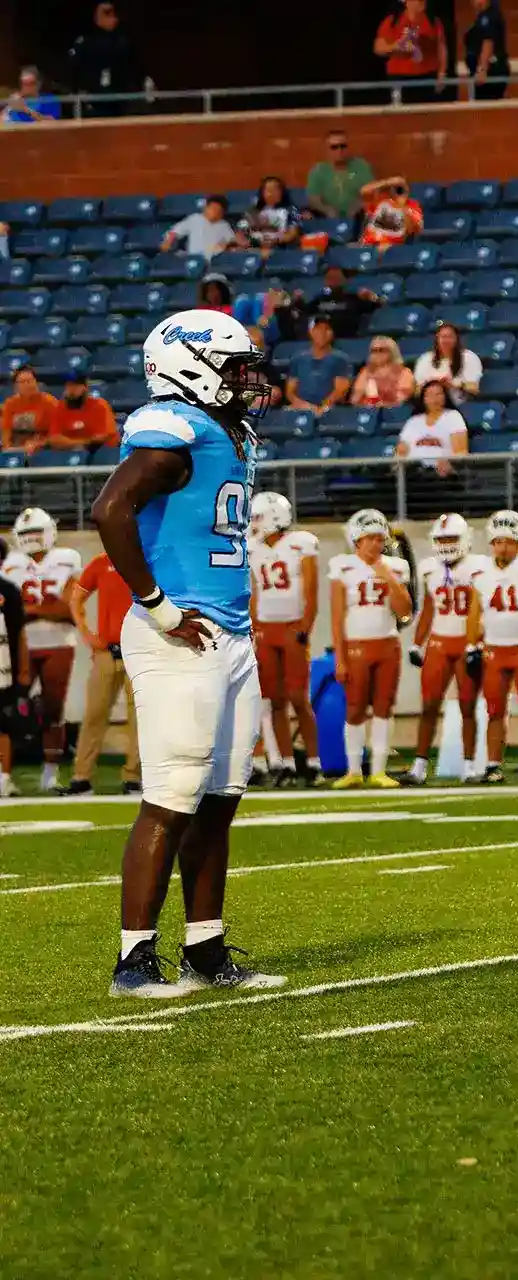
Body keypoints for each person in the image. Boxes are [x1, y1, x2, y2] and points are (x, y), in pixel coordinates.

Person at [91, 307, 280, 996]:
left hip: (227, 632)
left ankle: (206, 950)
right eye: (232, 368)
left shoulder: (225, 429)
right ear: (189, 366)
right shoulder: (171, 427)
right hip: (179, 632)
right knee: (172, 796)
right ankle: (133, 960)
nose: (244, 380)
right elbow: (110, 509)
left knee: (220, 798)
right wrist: (156, 603)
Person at [328, 509, 412, 791]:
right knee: (354, 708)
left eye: (380, 538)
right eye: (370, 539)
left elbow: (405, 611)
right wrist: (340, 657)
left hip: (387, 643)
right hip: (356, 645)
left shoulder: (396, 566)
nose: (377, 544)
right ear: (357, 540)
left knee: (384, 708)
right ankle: (354, 770)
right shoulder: (343, 566)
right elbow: (337, 617)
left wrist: (386, 574)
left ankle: (378, 770)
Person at [402, 514, 486, 787]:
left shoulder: (478, 567)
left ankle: (470, 765)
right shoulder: (430, 569)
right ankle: (419, 765)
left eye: (451, 538)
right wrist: (417, 642)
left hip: (466, 641)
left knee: (467, 705)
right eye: (441, 539)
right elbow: (428, 609)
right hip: (439, 641)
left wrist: (478, 643)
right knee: (428, 705)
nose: (446, 544)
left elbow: (481, 610)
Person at [3, 508, 83, 791]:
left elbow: (69, 610)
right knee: (7, 710)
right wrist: (43, 610)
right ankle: (3, 776)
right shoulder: (11, 562)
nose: (32, 538)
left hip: (57, 643)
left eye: (35, 532)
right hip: (18, 644)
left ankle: (50, 774)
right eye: (26, 534)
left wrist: (27, 610)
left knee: (54, 709)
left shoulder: (67, 558)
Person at [247, 491, 321, 788]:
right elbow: (254, 594)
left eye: (258, 517)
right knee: (274, 699)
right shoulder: (252, 548)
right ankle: (287, 764)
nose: (253, 524)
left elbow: (311, 592)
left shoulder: (301, 544)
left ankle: (314, 762)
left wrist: (306, 625)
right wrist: (254, 628)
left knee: (298, 697)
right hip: (266, 629)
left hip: (292, 627)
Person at [468, 509, 518, 784]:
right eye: (499, 541)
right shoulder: (480, 572)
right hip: (493, 650)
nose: (504, 546)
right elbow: (475, 614)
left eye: (509, 541)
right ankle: (492, 764)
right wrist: (471, 646)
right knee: (494, 711)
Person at [58, 548, 140, 797]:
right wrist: (87, 634)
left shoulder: (146, 558)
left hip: (139, 650)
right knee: (94, 714)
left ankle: (133, 777)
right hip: (107, 651)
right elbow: (75, 598)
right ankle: (82, 778)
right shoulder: (101, 563)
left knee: (139, 718)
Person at [68, 3, 145, 117]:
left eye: (112, 14)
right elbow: (73, 68)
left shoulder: (123, 42)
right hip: (92, 100)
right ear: (96, 18)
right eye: (106, 14)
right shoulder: (85, 42)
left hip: (120, 101)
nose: (111, 18)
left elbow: (133, 68)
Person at [374, 0, 450, 103]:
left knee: (427, 115)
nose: (421, 2)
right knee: (400, 115)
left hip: (427, 77)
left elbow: (442, 49)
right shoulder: (392, 21)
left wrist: (442, 73)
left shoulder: (434, 22)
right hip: (398, 78)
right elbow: (378, 48)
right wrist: (397, 46)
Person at [305, 130, 377, 223]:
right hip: (328, 218)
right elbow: (313, 199)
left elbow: (372, 192)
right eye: (334, 147)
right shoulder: (318, 171)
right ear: (327, 149)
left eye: (343, 146)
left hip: (359, 216)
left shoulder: (361, 166)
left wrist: (359, 204)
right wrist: (327, 210)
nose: (340, 150)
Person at [413, 321, 482, 404]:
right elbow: (416, 391)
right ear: (437, 339)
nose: (446, 340)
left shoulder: (469, 357)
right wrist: (432, 384)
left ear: (457, 339)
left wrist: (453, 384)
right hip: (429, 405)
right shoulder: (425, 358)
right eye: (443, 337)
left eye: (450, 337)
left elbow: (474, 388)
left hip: (457, 404)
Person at [0, 567, 25, 795]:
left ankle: (4, 778)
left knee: (4, 723)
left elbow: (20, 632)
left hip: (3, 666)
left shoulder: (8, 590)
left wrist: (23, 667)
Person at [2, 367, 61, 451]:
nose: (28, 385)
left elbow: (58, 433)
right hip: (17, 447)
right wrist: (8, 449)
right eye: (23, 382)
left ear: (36, 382)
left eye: (30, 381)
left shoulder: (50, 402)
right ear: (16, 386)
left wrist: (41, 443)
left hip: (43, 447)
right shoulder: (10, 404)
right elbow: (6, 432)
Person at [238, 177, 302, 254]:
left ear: (282, 192)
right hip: (255, 247)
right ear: (262, 192)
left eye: (275, 189)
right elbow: (240, 232)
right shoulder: (253, 210)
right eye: (267, 189)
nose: (271, 192)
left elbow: (292, 235)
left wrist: (274, 240)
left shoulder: (292, 210)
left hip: (280, 248)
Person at [161, 194, 237, 258]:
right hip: (193, 257)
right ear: (205, 208)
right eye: (212, 208)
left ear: (222, 214)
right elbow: (175, 231)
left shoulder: (224, 225)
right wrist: (168, 241)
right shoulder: (195, 218)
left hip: (214, 259)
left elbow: (231, 240)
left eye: (218, 211)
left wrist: (226, 245)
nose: (214, 213)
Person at [462, 0, 510, 100]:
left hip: (490, 72)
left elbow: (488, 42)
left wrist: (482, 69)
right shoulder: (482, 17)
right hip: (482, 73)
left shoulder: (490, 16)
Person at [352, 335, 416, 409]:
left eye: (381, 350)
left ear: (392, 352)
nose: (377, 354)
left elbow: (400, 400)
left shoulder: (404, 372)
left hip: (391, 412)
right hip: (367, 411)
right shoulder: (365, 372)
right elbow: (355, 399)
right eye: (374, 351)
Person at [359, 177, 424, 248]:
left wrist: (402, 207)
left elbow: (413, 230)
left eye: (402, 187)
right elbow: (363, 191)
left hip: (389, 246)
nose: (399, 190)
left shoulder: (413, 206)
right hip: (367, 243)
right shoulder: (382, 200)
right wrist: (387, 182)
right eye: (396, 187)